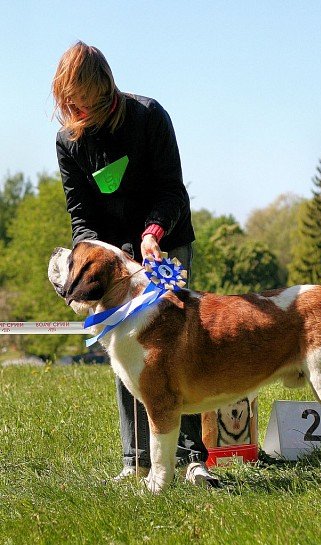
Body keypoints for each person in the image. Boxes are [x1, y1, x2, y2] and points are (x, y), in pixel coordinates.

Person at [52, 41, 218, 487]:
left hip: (163, 245)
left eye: (85, 101)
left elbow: (172, 191)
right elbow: (81, 215)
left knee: (179, 349)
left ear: (105, 88)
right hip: (114, 258)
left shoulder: (149, 116)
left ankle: (193, 460)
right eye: (70, 103)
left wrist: (152, 235)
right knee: (122, 347)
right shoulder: (68, 140)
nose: (77, 111)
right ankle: (137, 459)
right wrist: (90, 260)